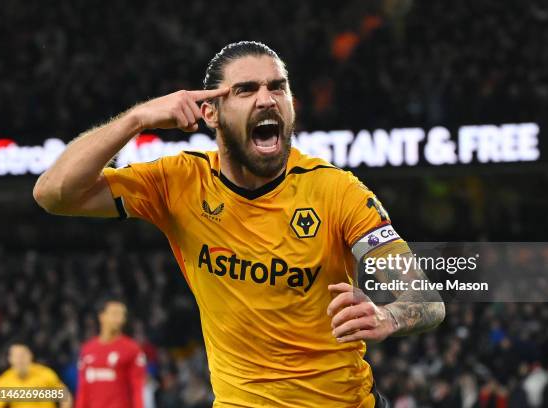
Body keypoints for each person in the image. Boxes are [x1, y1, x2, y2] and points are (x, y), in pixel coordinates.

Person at [33, 41, 445, 407]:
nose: (267, 99)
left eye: (277, 87)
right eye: (246, 90)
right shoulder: (179, 182)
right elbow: (53, 193)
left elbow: (425, 299)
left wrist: (388, 317)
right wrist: (135, 120)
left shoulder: (336, 191)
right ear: (210, 113)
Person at [75, 299, 146, 408]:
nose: (119, 318)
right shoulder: (87, 350)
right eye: (114, 313)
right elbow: (83, 388)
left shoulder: (132, 349)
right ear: (102, 316)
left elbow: (137, 389)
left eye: (122, 315)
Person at [0, 342, 72, 408]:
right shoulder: (3, 382)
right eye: (16, 356)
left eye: (23, 355)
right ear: (10, 359)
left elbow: (65, 397)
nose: (20, 360)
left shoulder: (44, 374)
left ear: (30, 355)